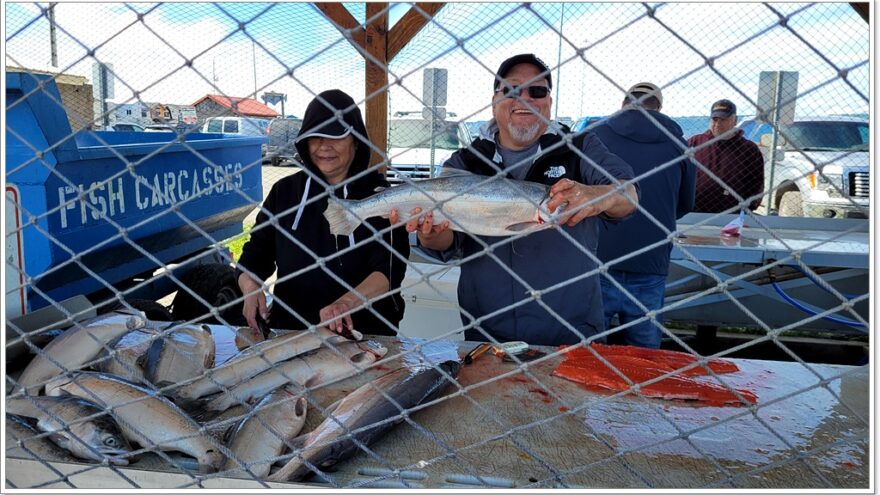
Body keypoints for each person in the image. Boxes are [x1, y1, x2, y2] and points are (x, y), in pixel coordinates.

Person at [391, 54, 639, 346]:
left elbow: (630, 196)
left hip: (572, 333)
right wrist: (430, 232)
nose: (525, 99)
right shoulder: (464, 162)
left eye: (537, 91)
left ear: (548, 100)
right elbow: (444, 244)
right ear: (495, 100)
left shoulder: (581, 147)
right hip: (487, 334)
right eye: (511, 90)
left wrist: (594, 196)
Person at [236, 89, 409, 336]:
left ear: (356, 140)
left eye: (335, 136)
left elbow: (388, 271)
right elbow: (254, 256)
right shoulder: (284, 192)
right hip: (292, 331)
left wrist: (345, 304)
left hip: (365, 333)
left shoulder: (380, 194)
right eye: (315, 137)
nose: (324, 146)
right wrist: (250, 286)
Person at [592, 82, 696, 348]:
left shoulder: (597, 136)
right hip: (651, 261)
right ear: (659, 108)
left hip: (598, 257)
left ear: (624, 104)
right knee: (645, 356)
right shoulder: (679, 145)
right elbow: (685, 204)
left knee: (588, 352)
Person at [688, 99, 764, 213]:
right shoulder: (694, 143)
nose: (718, 124)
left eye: (723, 119)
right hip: (694, 211)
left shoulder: (749, 149)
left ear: (734, 120)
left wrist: (747, 209)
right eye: (715, 119)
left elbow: (757, 184)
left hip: (732, 215)